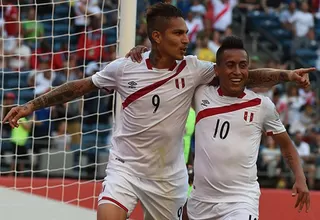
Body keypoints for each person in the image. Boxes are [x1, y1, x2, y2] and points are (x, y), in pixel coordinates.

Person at [3, 3, 313, 220]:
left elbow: (243, 75)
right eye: (178, 33)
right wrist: (31, 104)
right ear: (156, 37)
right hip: (125, 168)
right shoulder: (126, 67)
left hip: (169, 179)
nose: (186, 39)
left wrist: (286, 76)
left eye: (185, 32)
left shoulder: (194, 69)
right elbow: (80, 87)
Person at [187, 36, 310, 220]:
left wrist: (300, 177)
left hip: (241, 202)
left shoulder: (262, 105)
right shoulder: (200, 94)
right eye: (230, 65)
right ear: (216, 70)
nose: (237, 71)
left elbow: (286, 144)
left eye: (243, 65)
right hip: (199, 203)